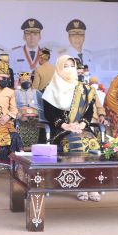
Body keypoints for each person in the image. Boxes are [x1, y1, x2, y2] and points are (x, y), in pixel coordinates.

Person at [42, 55, 101, 202]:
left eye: (72, 66)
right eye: (65, 66)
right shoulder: (51, 88)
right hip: (61, 130)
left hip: (82, 128)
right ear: (58, 68)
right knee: (77, 144)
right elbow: (50, 114)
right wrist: (67, 125)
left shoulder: (84, 89)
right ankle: (81, 185)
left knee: (93, 144)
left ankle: (92, 184)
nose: (69, 69)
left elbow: (88, 111)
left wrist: (82, 124)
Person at [15, 72, 43, 148]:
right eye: (23, 80)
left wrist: (34, 112)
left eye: (28, 80)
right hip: (21, 119)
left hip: (35, 120)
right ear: (19, 82)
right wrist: (20, 115)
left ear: (31, 81)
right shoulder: (15, 93)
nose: (26, 82)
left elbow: (42, 107)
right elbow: (13, 107)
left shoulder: (36, 92)